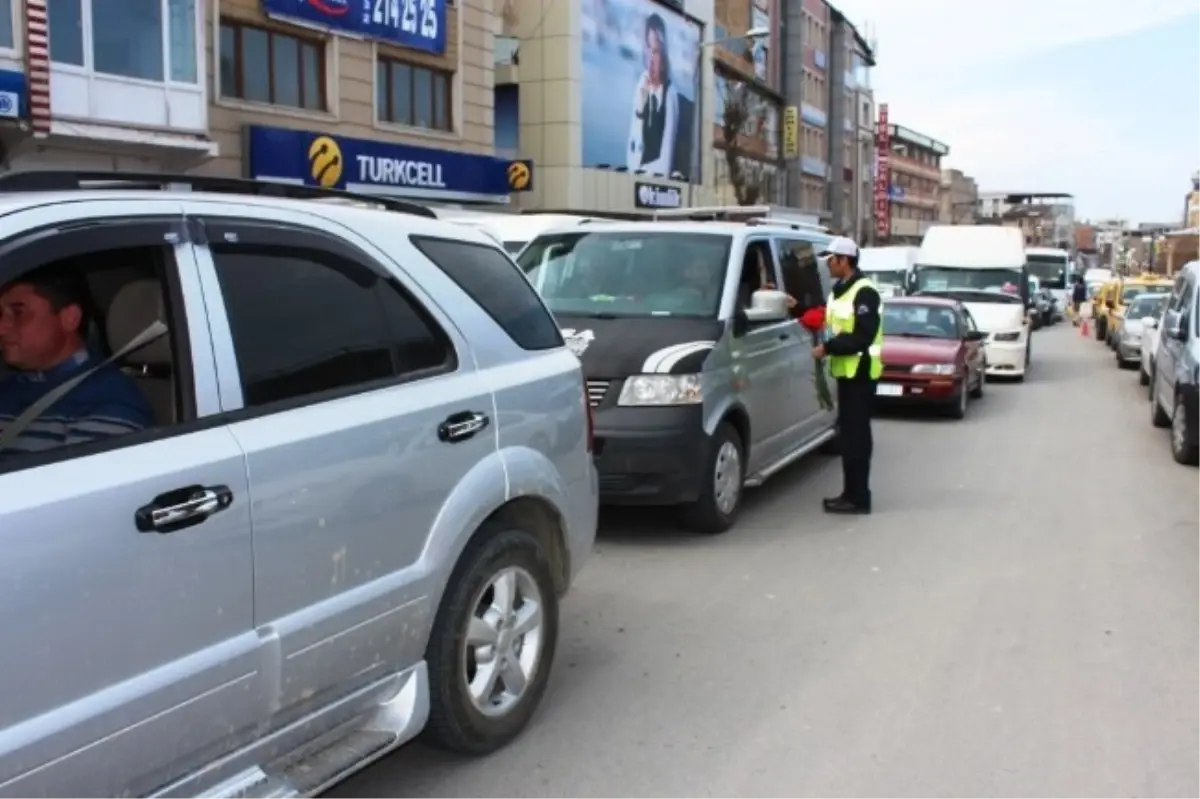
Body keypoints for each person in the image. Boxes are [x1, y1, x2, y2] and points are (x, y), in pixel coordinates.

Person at [0, 269, 153, 458]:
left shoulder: (109, 403)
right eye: (1, 314)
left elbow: (78, 486)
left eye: (18, 313)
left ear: (69, 318)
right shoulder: (12, 387)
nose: (2, 328)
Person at [810, 236, 882, 514]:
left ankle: (858, 498)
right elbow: (830, 321)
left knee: (856, 440)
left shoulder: (865, 292)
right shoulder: (840, 290)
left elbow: (862, 336)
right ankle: (850, 493)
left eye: (831, 260)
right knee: (849, 437)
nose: (828, 265)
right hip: (846, 374)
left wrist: (827, 348)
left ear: (844, 261)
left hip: (861, 375)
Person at [626, 12, 679, 177]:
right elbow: (632, 143)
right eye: (647, 49)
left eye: (655, 51)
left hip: (655, 184)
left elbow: (666, 156)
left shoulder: (670, 96)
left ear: (663, 54)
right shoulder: (641, 85)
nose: (650, 58)